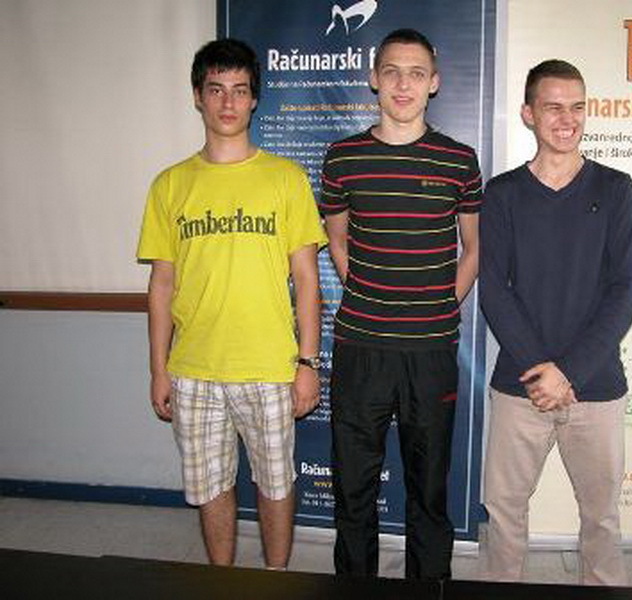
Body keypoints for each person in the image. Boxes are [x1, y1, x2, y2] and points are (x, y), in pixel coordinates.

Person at [137, 38, 327, 569]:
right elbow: (161, 286)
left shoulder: (286, 179)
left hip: (270, 369)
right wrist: (158, 370)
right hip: (193, 371)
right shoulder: (170, 185)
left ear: (254, 99)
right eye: (216, 89)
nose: (228, 102)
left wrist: (308, 363)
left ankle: (275, 577)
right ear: (197, 96)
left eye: (240, 90)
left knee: (275, 484)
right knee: (210, 488)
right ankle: (221, 582)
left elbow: (307, 281)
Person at [318, 28, 482, 580]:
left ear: (433, 83)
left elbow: (473, 249)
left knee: (428, 491)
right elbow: (338, 242)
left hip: (431, 351)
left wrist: (440, 304)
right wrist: (369, 295)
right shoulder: (343, 158)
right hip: (360, 347)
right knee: (353, 490)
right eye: (391, 72)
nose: (403, 84)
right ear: (374, 79)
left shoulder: (459, 160)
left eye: (416, 73)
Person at [479, 59, 632, 585]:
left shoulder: (616, 189)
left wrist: (567, 372)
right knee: (504, 514)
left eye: (577, 107)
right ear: (529, 114)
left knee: (602, 519)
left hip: (596, 387)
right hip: (519, 387)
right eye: (553, 107)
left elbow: (624, 291)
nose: (567, 119)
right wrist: (540, 370)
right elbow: (494, 291)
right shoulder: (502, 194)